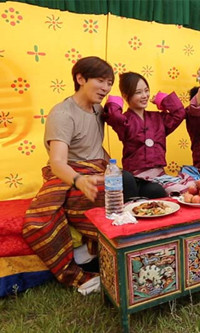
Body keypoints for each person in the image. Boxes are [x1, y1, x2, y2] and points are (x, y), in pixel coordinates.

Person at [22, 56, 132, 291]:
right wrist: (80, 180)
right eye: (101, 81)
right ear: (80, 78)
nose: (106, 88)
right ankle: (83, 258)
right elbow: (58, 162)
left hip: (97, 167)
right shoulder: (62, 114)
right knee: (39, 220)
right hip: (71, 173)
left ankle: (111, 252)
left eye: (109, 82)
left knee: (143, 186)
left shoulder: (98, 109)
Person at [103, 72, 185, 198]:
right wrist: (115, 102)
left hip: (160, 176)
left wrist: (162, 100)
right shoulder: (124, 121)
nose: (144, 96)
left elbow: (179, 113)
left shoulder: (158, 118)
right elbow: (113, 116)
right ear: (126, 95)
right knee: (155, 191)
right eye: (138, 92)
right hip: (137, 179)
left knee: (185, 190)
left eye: (146, 91)